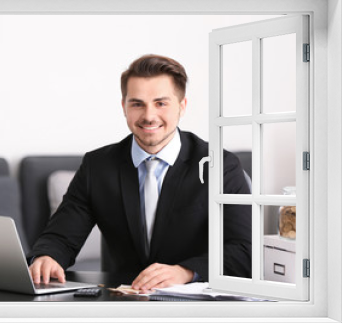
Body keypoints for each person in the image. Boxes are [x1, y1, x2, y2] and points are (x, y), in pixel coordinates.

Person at [27, 54, 251, 291]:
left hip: (195, 304)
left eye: (161, 103)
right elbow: (61, 236)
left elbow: (245, 251)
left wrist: (185, 271)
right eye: (137, 103)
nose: (148, 116)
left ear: (182, 106)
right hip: (122, 301)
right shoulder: (98, 166)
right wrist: (46, 257)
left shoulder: (220, 165)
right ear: (124, 107)